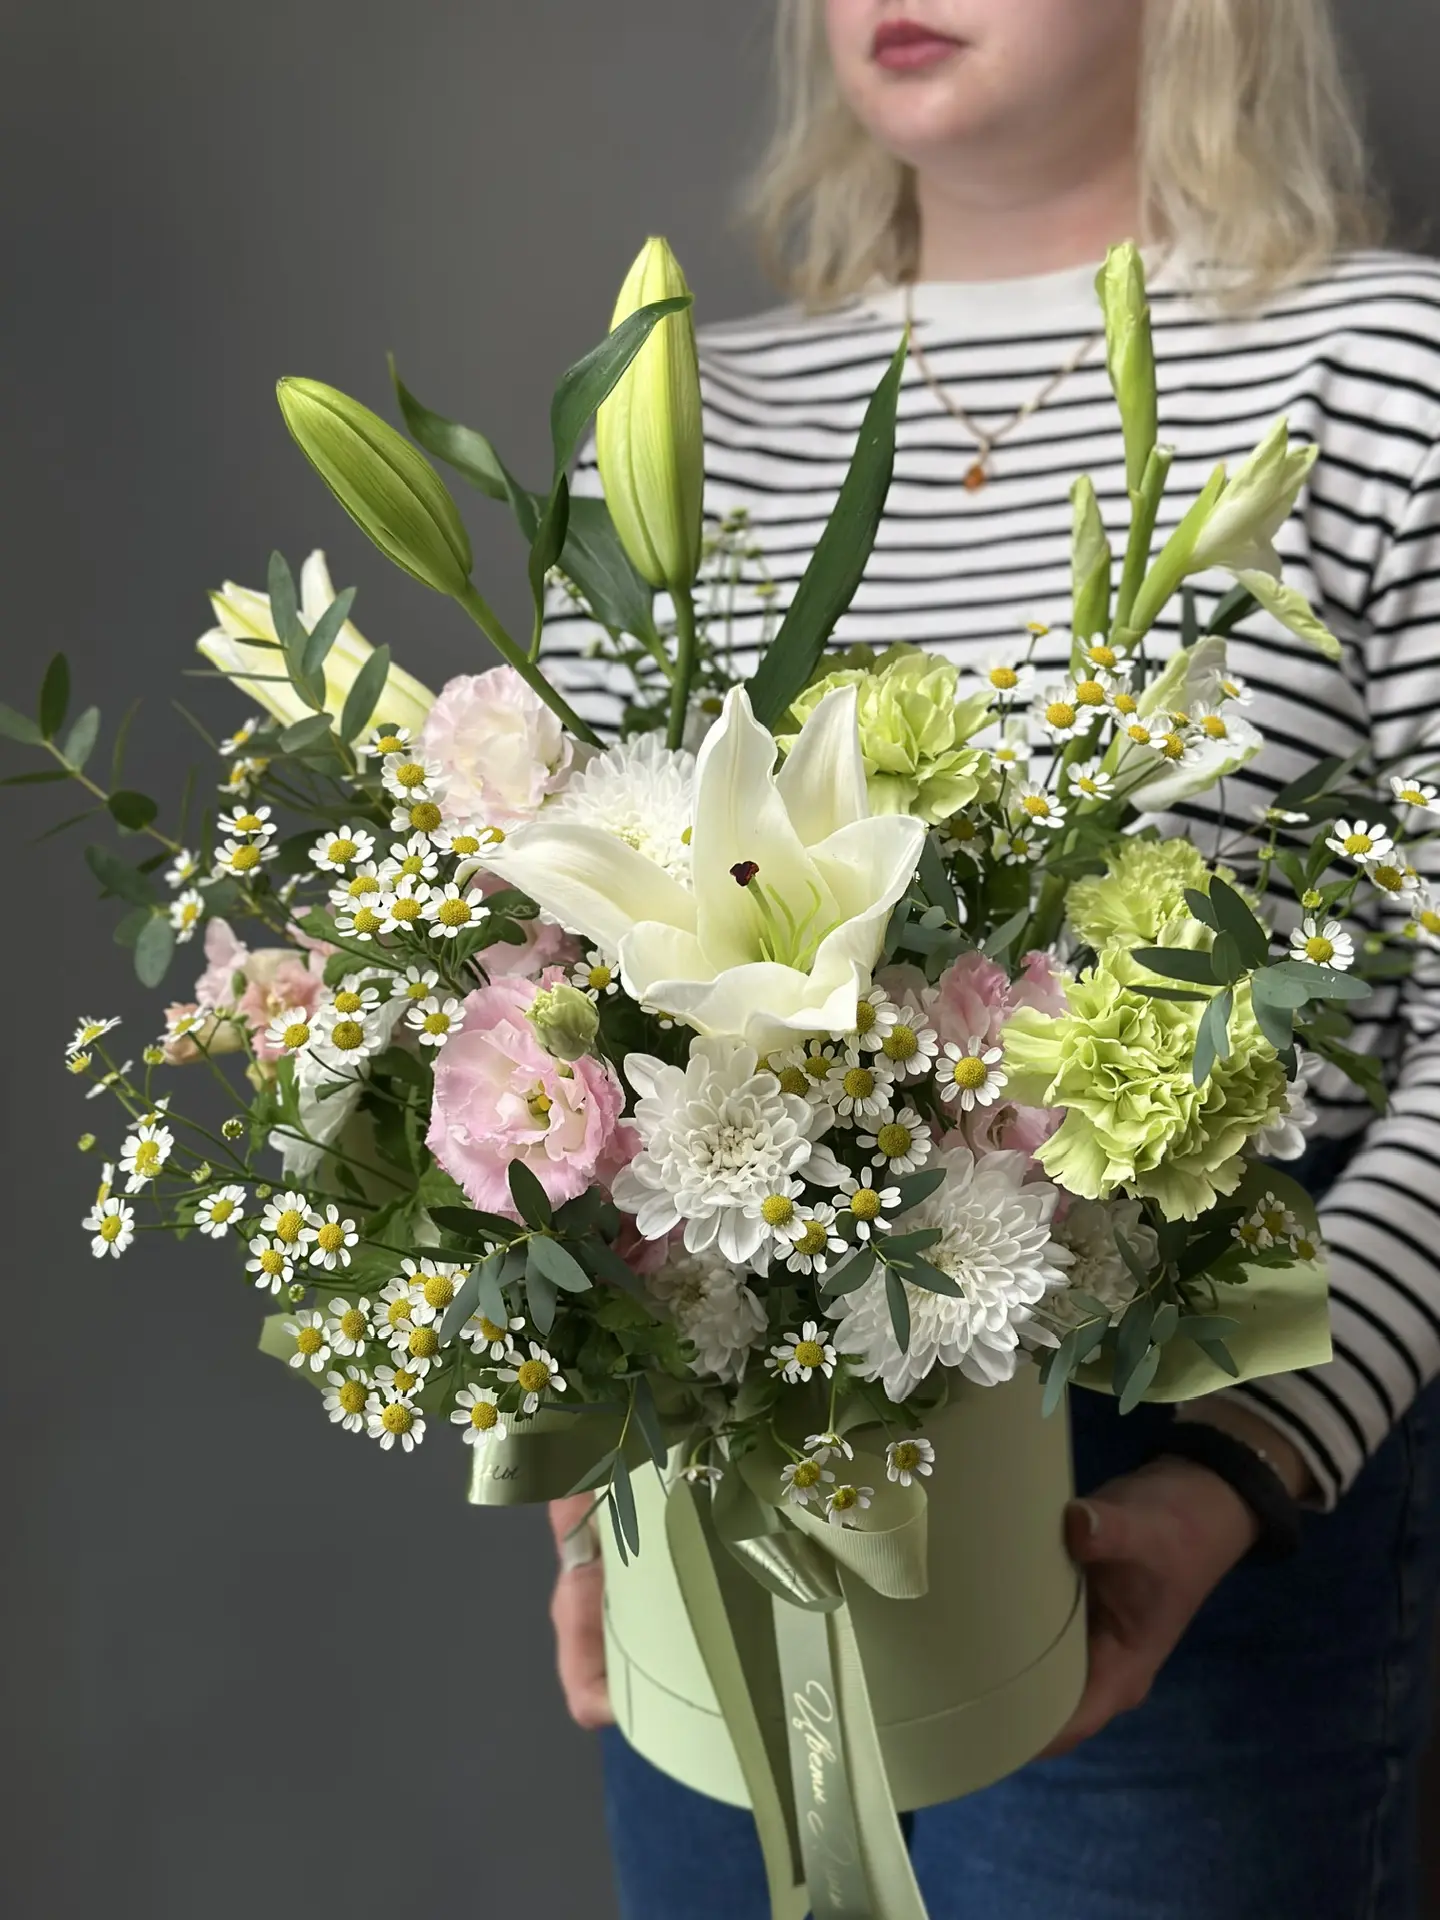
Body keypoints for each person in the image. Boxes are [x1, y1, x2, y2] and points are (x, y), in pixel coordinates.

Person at [543, 3, 1440, 1914]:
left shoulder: (1382, 371)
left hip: (1188, 1467)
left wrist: (1238, 1469)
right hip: (715, 1482)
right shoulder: (685, 411)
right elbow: (556, 987)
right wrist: (581, 1454)